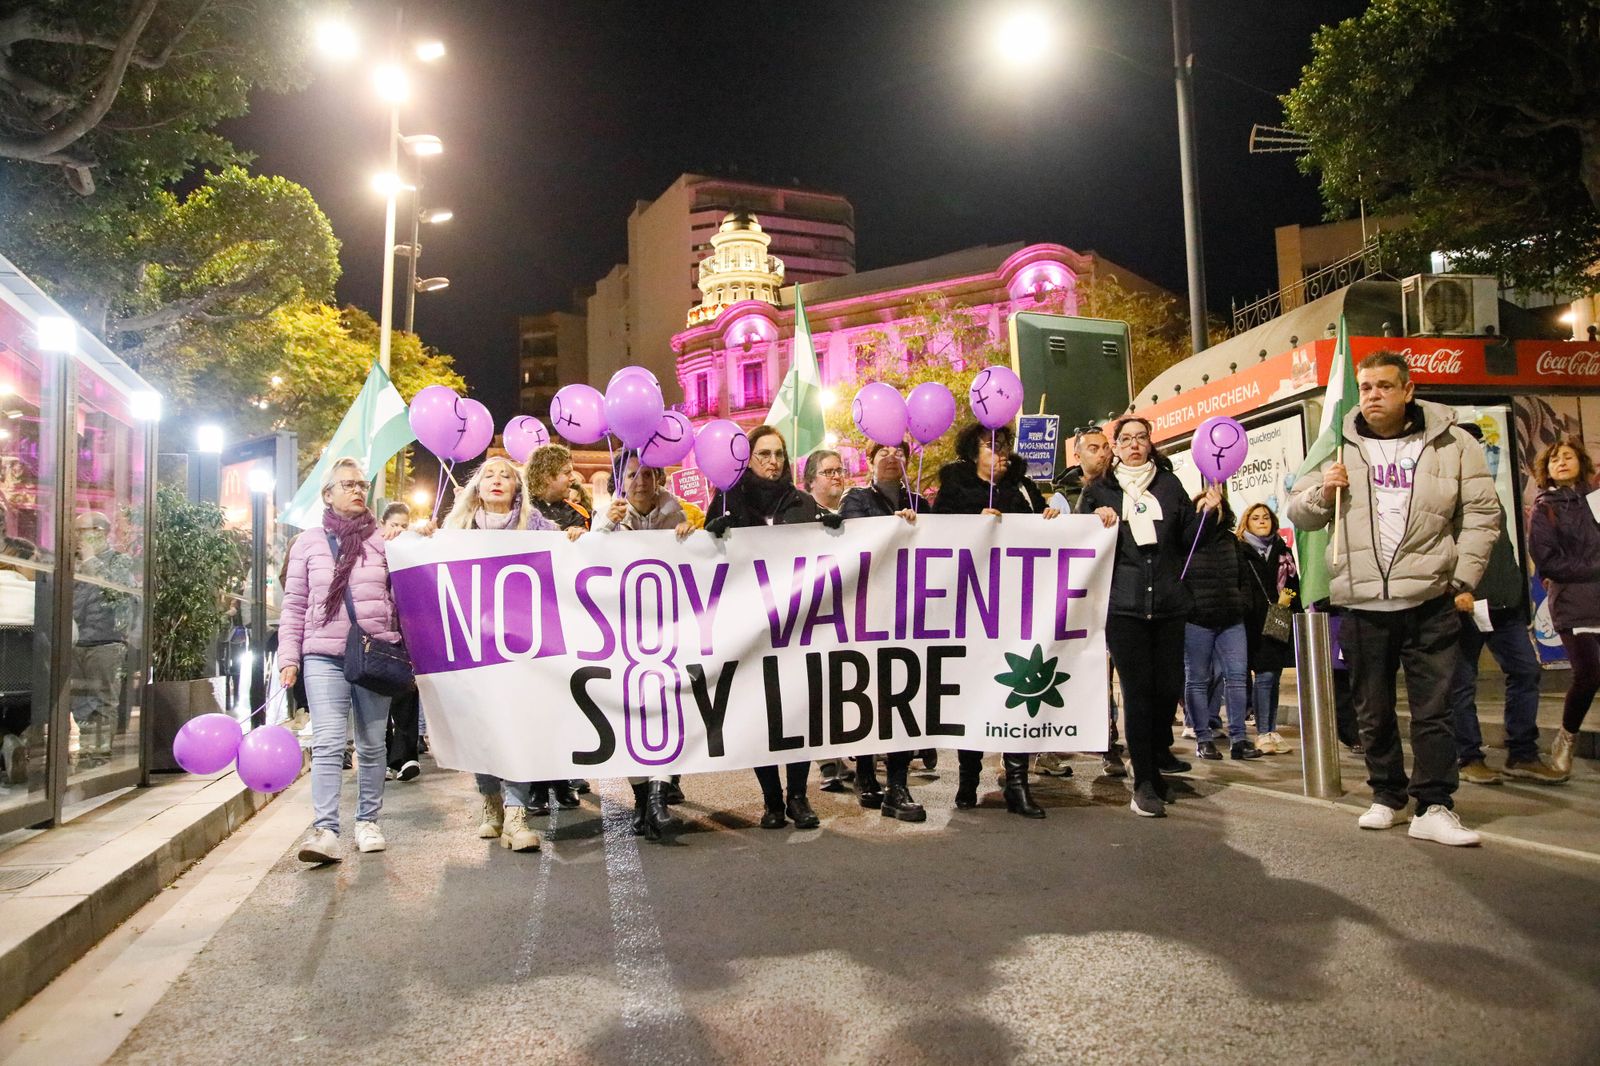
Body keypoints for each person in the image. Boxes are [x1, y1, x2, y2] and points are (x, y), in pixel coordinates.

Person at [1286, 351, 1499, 847]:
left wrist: (1461, 578)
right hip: (1361, 600)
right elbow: (1300, 509)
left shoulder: (1454, 444)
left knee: (1434, 709)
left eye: (1384, 386)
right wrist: (1322, 493)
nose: (1373, 395)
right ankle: (1388, 796)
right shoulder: (1339, 444)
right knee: (1372, 709)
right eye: (1365, 387)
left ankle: (1435, 804)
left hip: (1429, 597)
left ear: (1408, 390)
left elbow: (1483, 514)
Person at [1082, 416, 1215, 817]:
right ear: (1116, 446)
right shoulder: (1099, 489)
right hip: (1124, 606)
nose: (1134, 444)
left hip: (1170, 604)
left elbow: (1190, 541)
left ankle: (1156, 765)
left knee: (1166, 689)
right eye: (1126, 439)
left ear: (1150, 443)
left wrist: (1208, 514)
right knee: (1138, 693)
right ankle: (1143, 782)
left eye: (1142, 438)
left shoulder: (1169, 485)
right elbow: (1078, 541)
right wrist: (1095, 522)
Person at [934, 421, 1062, 819]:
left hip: (1020, 608)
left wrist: (1052, 517)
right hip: (972, 609)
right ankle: (968, 776)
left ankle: (1017, 782)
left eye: (1005, 445)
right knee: (973, 692)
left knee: (1019, 689)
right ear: (974, 453)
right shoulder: (954, 490)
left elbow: (1046, 532)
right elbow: (936, 540)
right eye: (992, 446)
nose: (1001, 452)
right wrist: (974, 525)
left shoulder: (1023, 488)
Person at [706, 424, 832, 830]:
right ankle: (772, 800)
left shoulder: (802, 502)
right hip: (749, 626)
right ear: (748, 458)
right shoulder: (728, 500)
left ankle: (798, 796)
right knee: (761, 713)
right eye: (764, 454)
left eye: (779, 454)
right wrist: (714, 535)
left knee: (797, 710)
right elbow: (705, 558)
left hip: (796, 625)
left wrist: (838, 532)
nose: (774, 462)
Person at [439, 456, 565, 852]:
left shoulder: (538, 526)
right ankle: (490, 800)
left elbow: (566, 562)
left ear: (517, 488)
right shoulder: (455, 530)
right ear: (477, 487)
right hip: (472, 646)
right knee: (479, 727)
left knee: (517, 726)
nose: (497, 480)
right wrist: (421, 535)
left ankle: (516, 812)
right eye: (488, 475)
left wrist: (577, 538)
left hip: (522, 646)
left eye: (506, 476)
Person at [278, 459, 402, 864]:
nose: (356, 490)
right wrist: (288, 657)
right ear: (327, 494)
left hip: (374, 653)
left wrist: (415, 538)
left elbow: (404, 597)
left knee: (371, 743)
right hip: (322, 656)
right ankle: (325, 829)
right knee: (329, 742)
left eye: (361, 484)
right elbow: (295, 603)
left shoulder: (385, 539)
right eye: (346, 484)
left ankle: (368, 821)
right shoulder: (308, 543)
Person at [1450, 423, 1562, 784]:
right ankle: (1468, 757)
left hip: (1503, 602)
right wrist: (1456, 588)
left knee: (1526, 670)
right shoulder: (1444, 491)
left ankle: (1522, 753)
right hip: (1464, 604)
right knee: (1462, 683)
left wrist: (1518, 586)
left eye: (1481, 444)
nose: (1480, 451)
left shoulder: (1487, 491)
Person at [596, 448, 690, 840]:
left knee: (668, 712)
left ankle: (658, 799)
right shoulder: (607, 518)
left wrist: (691, 540)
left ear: (659, 480)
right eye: (633, 474)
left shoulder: (679, 516)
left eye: (649, 474)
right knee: (631, 717)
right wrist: (603, 528)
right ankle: (641, 801)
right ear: (621, 481)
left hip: (670, 631)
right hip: (622, 634)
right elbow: (586, 561)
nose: (641, 482)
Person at [837, 439, 928, 822]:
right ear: (870, 462)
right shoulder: (856, 498)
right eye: (883, 453)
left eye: (900, 453)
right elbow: (852, 537)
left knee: (903, 697)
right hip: (868, 612)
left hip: (909, 613)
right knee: (870, 697)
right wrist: (893, 526)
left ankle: (897, 784)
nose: (893, 458)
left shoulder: (922, 502)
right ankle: (863, 772)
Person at [1048, 427, 1127, 780]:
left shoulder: (1127, 487)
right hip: (1077, 602)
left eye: (1106, 447)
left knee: (1111, 677)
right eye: (1093, 448)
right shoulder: (1060, 494)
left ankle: (1110, 745)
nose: (1103, 453)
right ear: (1078, 455)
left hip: (1118, 596)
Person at [522, 442, 593, 809]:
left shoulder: (576, 512)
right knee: (535, 705)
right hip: (530, 619)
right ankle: (537, 783)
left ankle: (563, 779)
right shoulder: (523, 513)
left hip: (568, 616)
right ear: (548, 474)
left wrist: (587, 538)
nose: (571, 478)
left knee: (566, 701)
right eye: (566, 472)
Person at [1526, 436, 1600, 781]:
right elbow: (1548, 561)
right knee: (1588, 672)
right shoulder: (1545, 508)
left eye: (1568, 456)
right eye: (1555, 459)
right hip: (1572, 602)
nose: (1562, 462)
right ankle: (1566, 738)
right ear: (1547, 470)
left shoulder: (1596, 501)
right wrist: (1593, 568)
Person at [1181, 492, 1263, 761]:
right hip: (1198, 621)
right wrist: (1189, 608)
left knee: (1238, 678)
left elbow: (1243, 578)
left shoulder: (1230, 540)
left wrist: (1242, 604)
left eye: (1214, 506)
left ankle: (1239, 738)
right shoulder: (1187, 543)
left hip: (1231, 620)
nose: (1210, 510)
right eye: (1204, 507)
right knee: (1197, 679)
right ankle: (1203, 737)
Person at [69, 511, 136, 768]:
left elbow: (115, 593)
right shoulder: (70, 561)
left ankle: (98, 756)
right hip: (75, 641)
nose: (76, 537)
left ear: (100, 532)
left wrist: (90, 560)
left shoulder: (119, 561)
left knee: (102, 701)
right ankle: (87, 751)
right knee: (80, 702)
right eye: (75, 531)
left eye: (81, 531)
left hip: (106, 642)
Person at [1237, 502, 1299, 755]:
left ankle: (1271, 730)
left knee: (1273, 678)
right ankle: (1263, 731)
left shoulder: (1284, 552)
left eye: (1266, 517)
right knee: (1263, 677)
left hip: (1277, 619)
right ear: (1247, 523)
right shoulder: (1240, 551)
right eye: (1255, 518)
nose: (1262, 521)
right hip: (1250, 622)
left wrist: (1290, 603)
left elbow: (1294, 584)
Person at [378, 503, 423, 784]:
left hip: (406, 633)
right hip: (379, 633)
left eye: (404, 525)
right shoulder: (374, 552)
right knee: (379, 697)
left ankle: (406, 757)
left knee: (407, 694)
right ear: (383, 524)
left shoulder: (412, 551)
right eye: (394, 524)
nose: (399, 530)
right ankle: (382, 757)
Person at [803, 448, 848, 513]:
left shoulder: (854, 510)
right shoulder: (802, 515)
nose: (837, 476)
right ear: (811, 480)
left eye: (839, 471)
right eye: (828, 472)